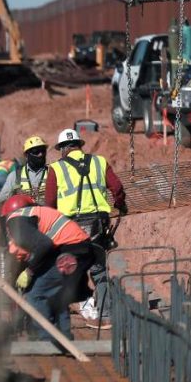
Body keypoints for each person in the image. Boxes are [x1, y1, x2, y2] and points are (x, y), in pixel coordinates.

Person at [0, 195, 95, 340]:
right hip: (75, 249)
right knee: (55, 293)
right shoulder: (15, 225)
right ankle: (63, 338)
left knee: (36, 293)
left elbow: (44, 245)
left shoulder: (15, 226)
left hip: (71, 251)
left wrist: (29, 271)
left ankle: (47, 341)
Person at [45, 128, 127, 326]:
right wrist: (120, 204)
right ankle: (106, 314)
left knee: (68, 267)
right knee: (99, 271)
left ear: (63, 149)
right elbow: (116, 187)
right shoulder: (99, 162)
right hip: (98, 224)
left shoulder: (56, 169)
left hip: (70, 227)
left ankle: (63, 314)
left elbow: (49, 202)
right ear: (79, 145)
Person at [0, 135, 49, 203]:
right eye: (36, 151)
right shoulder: (15, 176)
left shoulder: (52, 172)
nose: (41, 154)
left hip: (47, 212)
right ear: (26, 155)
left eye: (43, 151)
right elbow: (2, 198)